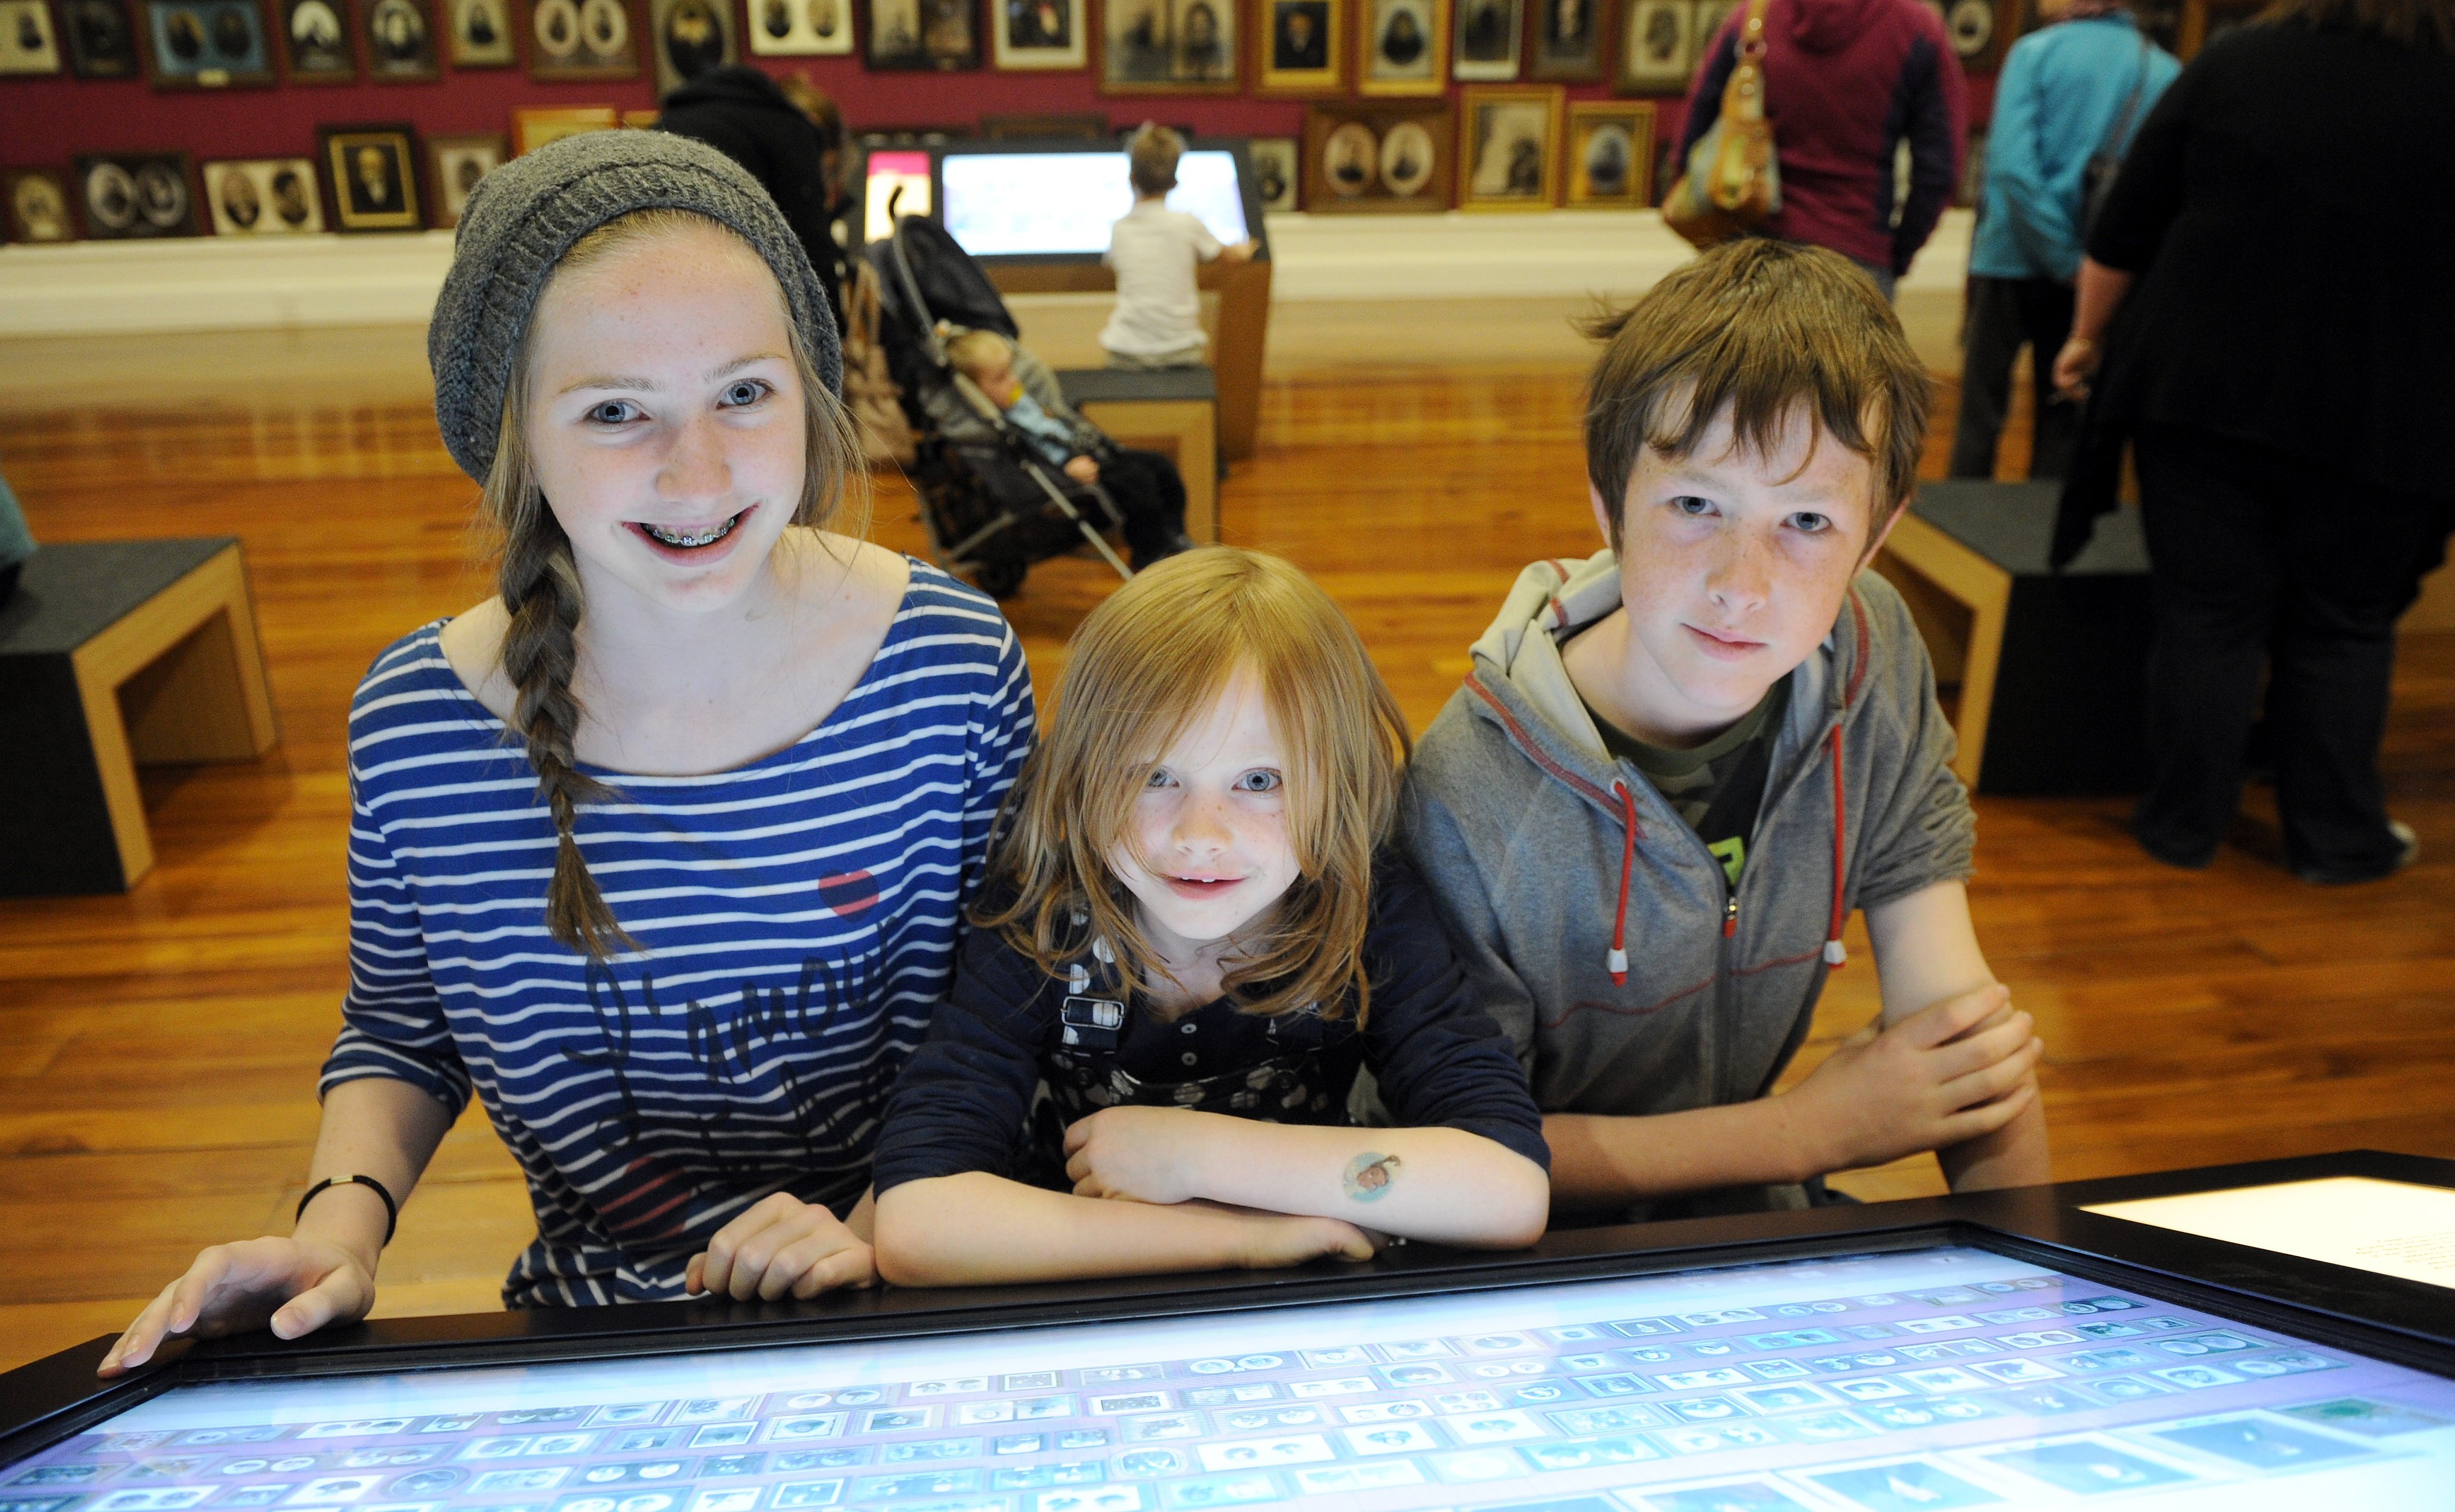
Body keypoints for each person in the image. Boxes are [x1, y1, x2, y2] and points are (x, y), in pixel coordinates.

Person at [96, 132, 1037, 1376]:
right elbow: (402, 1027)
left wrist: (867, 1229)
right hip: (602, 1336)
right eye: (613, 411)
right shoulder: (418, 724)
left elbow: (1032, 1009)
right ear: (511, 437)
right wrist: (339, 1232)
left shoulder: (950, 667)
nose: (695, 470)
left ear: (809, 391)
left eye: (743, 392)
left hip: (935, 1299)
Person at [1405, 240, 2049, 1227]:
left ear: (1875, 540)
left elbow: (1959, 1037)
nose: (1741, 586)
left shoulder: (1873, 655)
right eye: (1696, 504)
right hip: (1528, 1264)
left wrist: (2040, 1296)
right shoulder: (1466, 793)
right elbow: (1464, 1154)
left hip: (1748, 1228)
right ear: (1607, 503)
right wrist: (1810, 1133)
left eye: (1806, 523)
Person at [871, 547, 1551, 1284]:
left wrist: (1195, 1154)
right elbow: (917, 1222)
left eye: (1259, 780)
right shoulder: (1044, 915)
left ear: (1339, 782)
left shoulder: (1363, 907)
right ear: (1081, 776)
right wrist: (1236, 1241)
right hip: (1086, 1294)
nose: (1201, 832)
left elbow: (1507, 1187)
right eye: (1154, 775)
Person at [2051, 0, 2455, 884]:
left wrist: (2085, 336)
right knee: (2345, 628)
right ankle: (2337, 840)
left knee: (2205, 618)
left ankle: (2180, 824)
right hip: (2391, 414)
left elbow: (2125, 224)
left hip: (2205, 394)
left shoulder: (2239, 64)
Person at [1948, 0, 2176, 480]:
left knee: (1979, 419)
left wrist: (2058, 254)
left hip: (2009, 258)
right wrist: (2080, 267)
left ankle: (1951, 543)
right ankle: (2038, 547)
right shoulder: (2161, 70)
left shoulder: (2034, 53)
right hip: (2096, 276)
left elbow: (2012, 167)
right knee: (2063, 423)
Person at [1679, 0, 1967, 299]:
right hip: (1856, 260)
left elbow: (1695, 128)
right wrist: (1895, 256)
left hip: (1748, 251)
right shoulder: (1917, 27)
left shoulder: (1756, 14)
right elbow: (1938, 171)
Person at [938, 328, 1196, 569]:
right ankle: (1148, 555)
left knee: (1161, 467)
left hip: (1090, 451)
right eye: (1001, 378)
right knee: (1138, 486)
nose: (1014, 381)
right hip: (1069, 469)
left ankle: (1173, 534)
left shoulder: (1021, 403)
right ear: (976, 393)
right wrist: (1065, 468)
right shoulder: (997, 426)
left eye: (1011, 372)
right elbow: (1028, 457)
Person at [658, 66, 851, 328]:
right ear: (814, 121)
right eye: (824, 174)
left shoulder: (673, 120)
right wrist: (836, 337)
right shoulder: (791, 129)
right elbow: (812, 256)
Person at [1099, 123, 1255, 371]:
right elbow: (1229, 255)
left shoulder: (1120, 229)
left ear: (1131, 179)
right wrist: (1244, 250)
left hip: (1126, 350)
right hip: (1181, 349)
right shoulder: (1188, 224)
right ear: (1175, 183)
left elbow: (1114, 262)